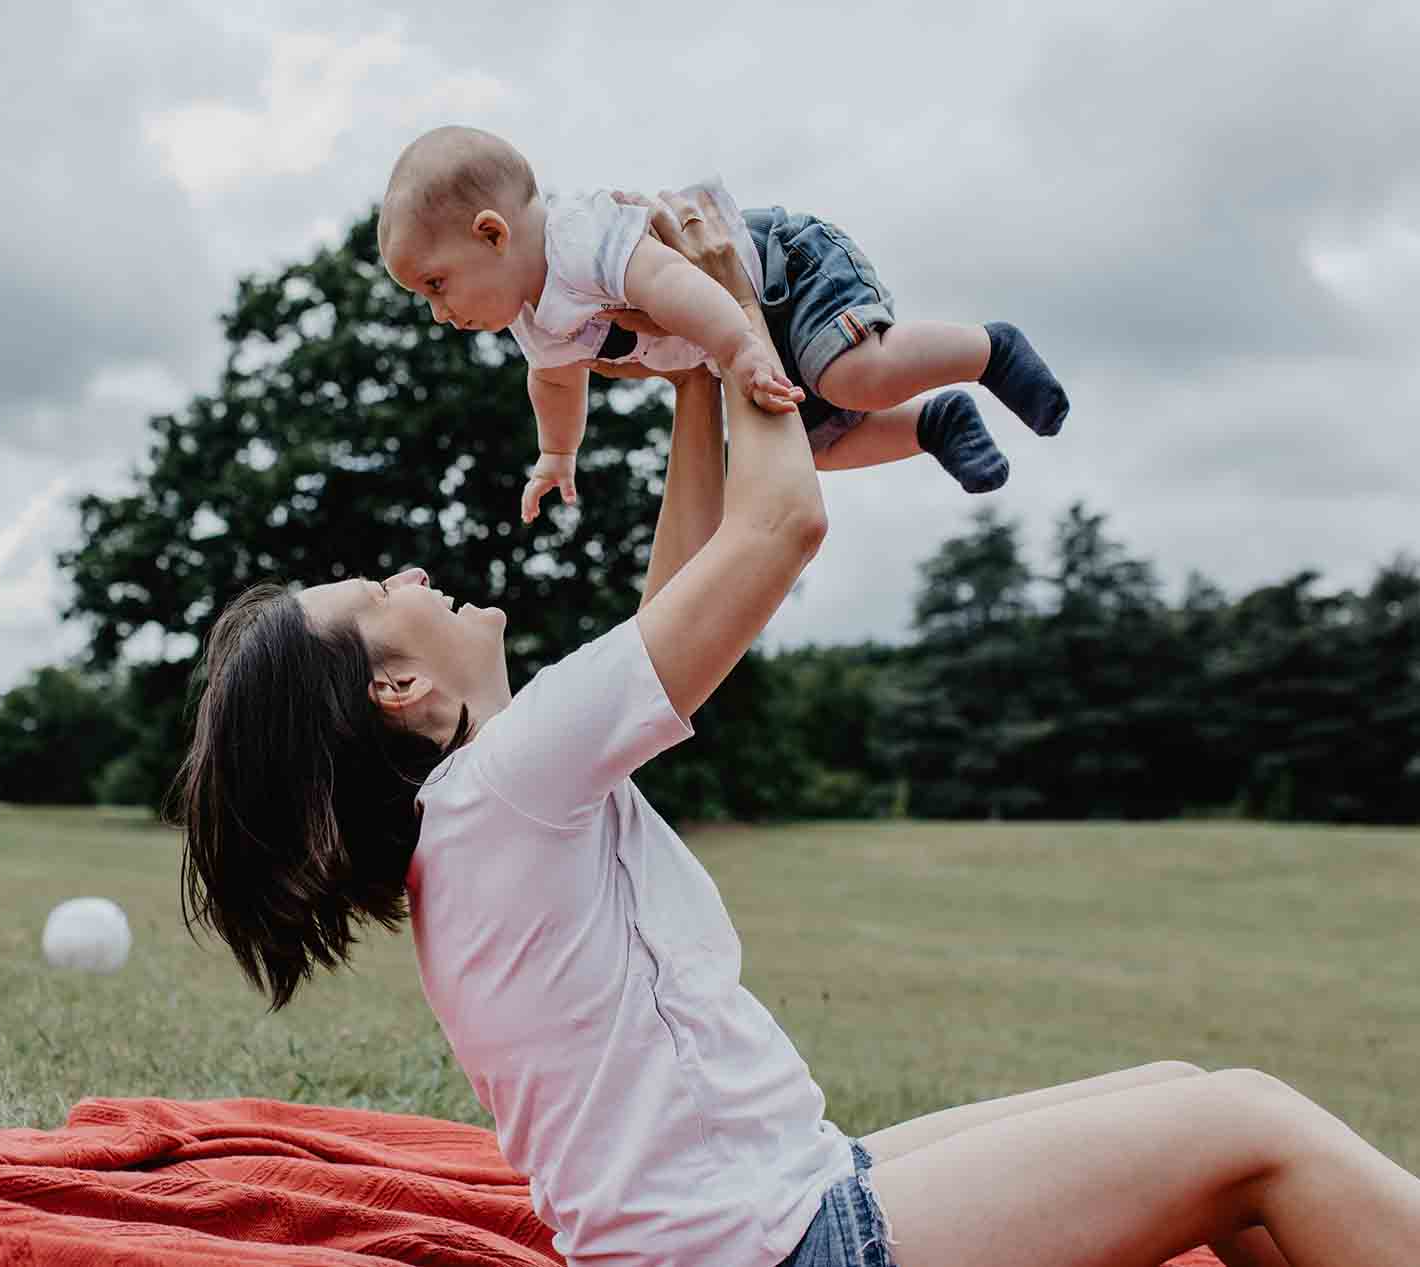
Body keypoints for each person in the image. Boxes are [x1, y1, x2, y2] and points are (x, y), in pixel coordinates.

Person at [176, 195, 1419, 1267]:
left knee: (1176, 1097)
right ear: (393, 692)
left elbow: (681, 593)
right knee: (1250, 1123)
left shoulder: (495, 800)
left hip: (776, 1201)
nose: (405, 574)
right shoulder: (508, 781)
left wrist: (692, 390)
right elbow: (778, 532)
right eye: (377, 598)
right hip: (778, 1243)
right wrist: (735, 317)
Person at [378, 125, 1070, 520]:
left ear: (493, 233)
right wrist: (557, 454)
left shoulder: (577, 237)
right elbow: (556, 386)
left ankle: (988, 350)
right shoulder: (533, 319)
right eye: (425, 299)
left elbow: (675, 282)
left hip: (780, 273)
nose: (439, 312)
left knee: (855, 375)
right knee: (812, 451)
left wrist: (740, 348)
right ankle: (935, 424)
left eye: (436, 284)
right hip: (742, 333)